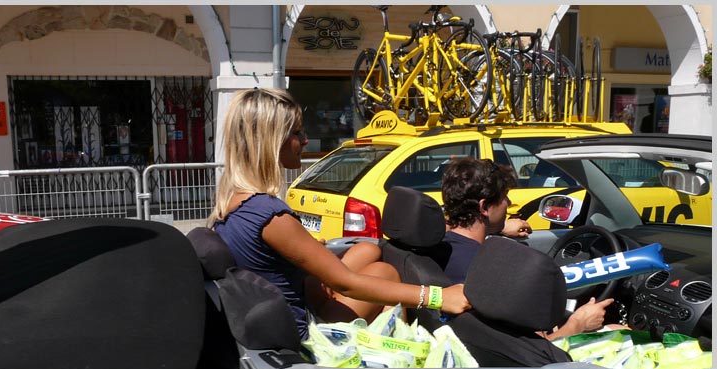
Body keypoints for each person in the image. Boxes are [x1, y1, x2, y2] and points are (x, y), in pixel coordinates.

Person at [208, 87, 470, 339]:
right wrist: (438, 297)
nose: (305, 140)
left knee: (368, 250)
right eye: (296, 133)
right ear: (271, 141)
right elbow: (348, 284)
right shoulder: (270, 215)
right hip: (307, 330)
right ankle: (394, 356)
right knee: (385, 273)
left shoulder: (234, 202)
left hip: (289, 302)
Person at [440, 157, 615, 340]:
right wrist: (579, 323)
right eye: (504, 196)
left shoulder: (440, 249)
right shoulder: (490, 271)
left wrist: (500, 227)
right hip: (513, 365)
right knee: (618, 329)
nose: (508, 203)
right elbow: (532, 351)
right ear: (484, 207)